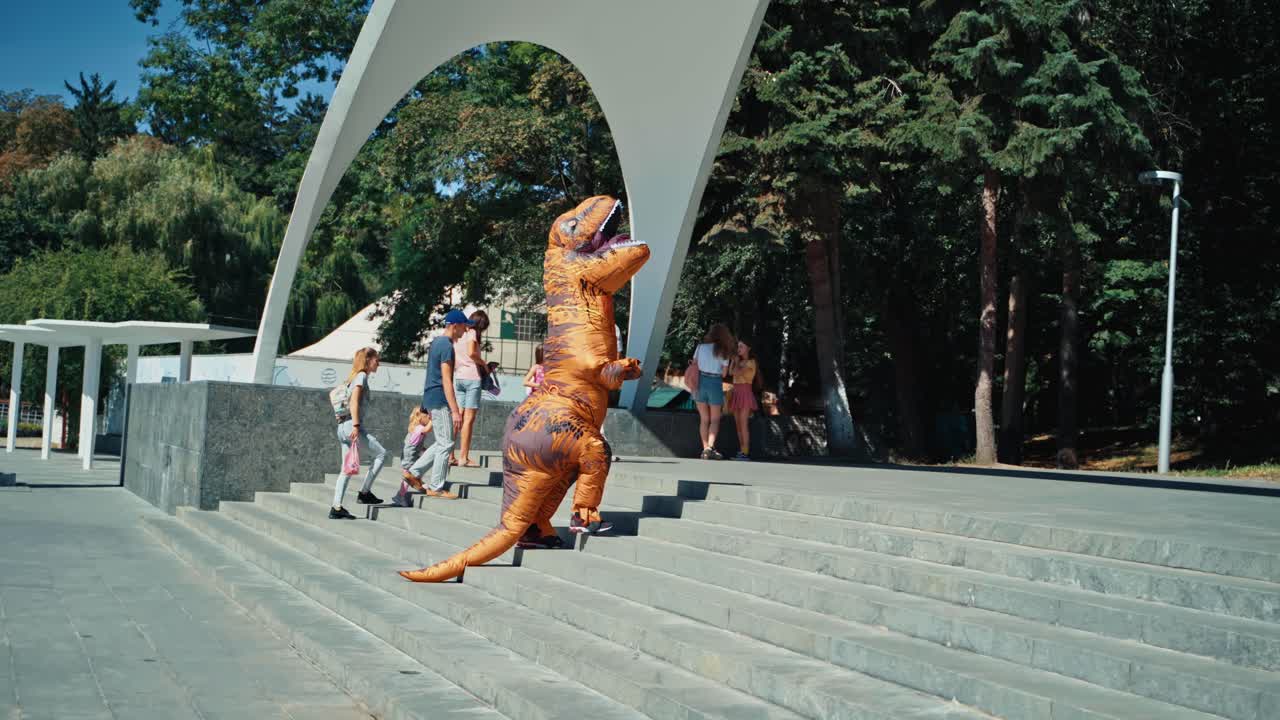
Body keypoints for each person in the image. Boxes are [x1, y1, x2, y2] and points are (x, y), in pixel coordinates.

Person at [414, 309, 472, 497]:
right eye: (464, 326)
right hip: (440, 398)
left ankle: (413, 472)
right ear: (455, 326)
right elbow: (446, 380)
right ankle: (436, 486)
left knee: (442, 442)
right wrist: (455, 411)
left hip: (431, 397)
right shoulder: (447, 346)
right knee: (447, 443)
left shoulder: (436, 343)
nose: (465, 331)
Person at [330, 347, 388, 519]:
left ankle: (336, 507)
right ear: (368, 360)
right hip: (351, 426)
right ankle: (364, 492)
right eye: (376, 359)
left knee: (345, 470)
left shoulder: (352, 378)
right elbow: (354, 402)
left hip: (342, 427)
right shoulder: (361, 376)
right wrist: (356, 425)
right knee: (381, 454)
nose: (379, 362)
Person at [450, 310, 490, 468]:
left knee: (458, 418)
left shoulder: (459, 335)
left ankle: (450, 455)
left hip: (458, 377)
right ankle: (463, 457)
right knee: (468, 420)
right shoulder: (472, 332)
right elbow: (471, 353)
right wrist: (484, 364)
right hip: (472, 378)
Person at [691, 323, 736, 460]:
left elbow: (694, 365)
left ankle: (705, 450)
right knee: (715, 419)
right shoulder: (724, 351)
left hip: (700, 382)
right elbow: (723, 374)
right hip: (715, 383)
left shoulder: (700, 347)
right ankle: (710, 447)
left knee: (704, 419)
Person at [392, 407, 435, 507]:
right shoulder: (419, 428)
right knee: (410, 477)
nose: (429, 418)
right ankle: (400, 496)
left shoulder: (414, 428)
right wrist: (434, 418)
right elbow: (427, 429)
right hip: (410, 458)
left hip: (408, 456)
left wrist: (424, 450)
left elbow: (416, 443)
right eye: (427, 416)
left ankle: (420, 485)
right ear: (420, 418)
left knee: (412, 475)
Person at [728, 340, 761, 460]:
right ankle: (741, 451)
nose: (739, 348)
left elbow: (736, 373)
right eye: (738, 346)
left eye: (741, 346)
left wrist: (735, 362)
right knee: (738, 425)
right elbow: (730, 372)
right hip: (736, 393)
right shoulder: (739, 361)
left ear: (749, 348)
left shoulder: (751, 362)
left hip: (745, 392)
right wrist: (733, 361)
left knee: (743, 424)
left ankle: (745, 452)